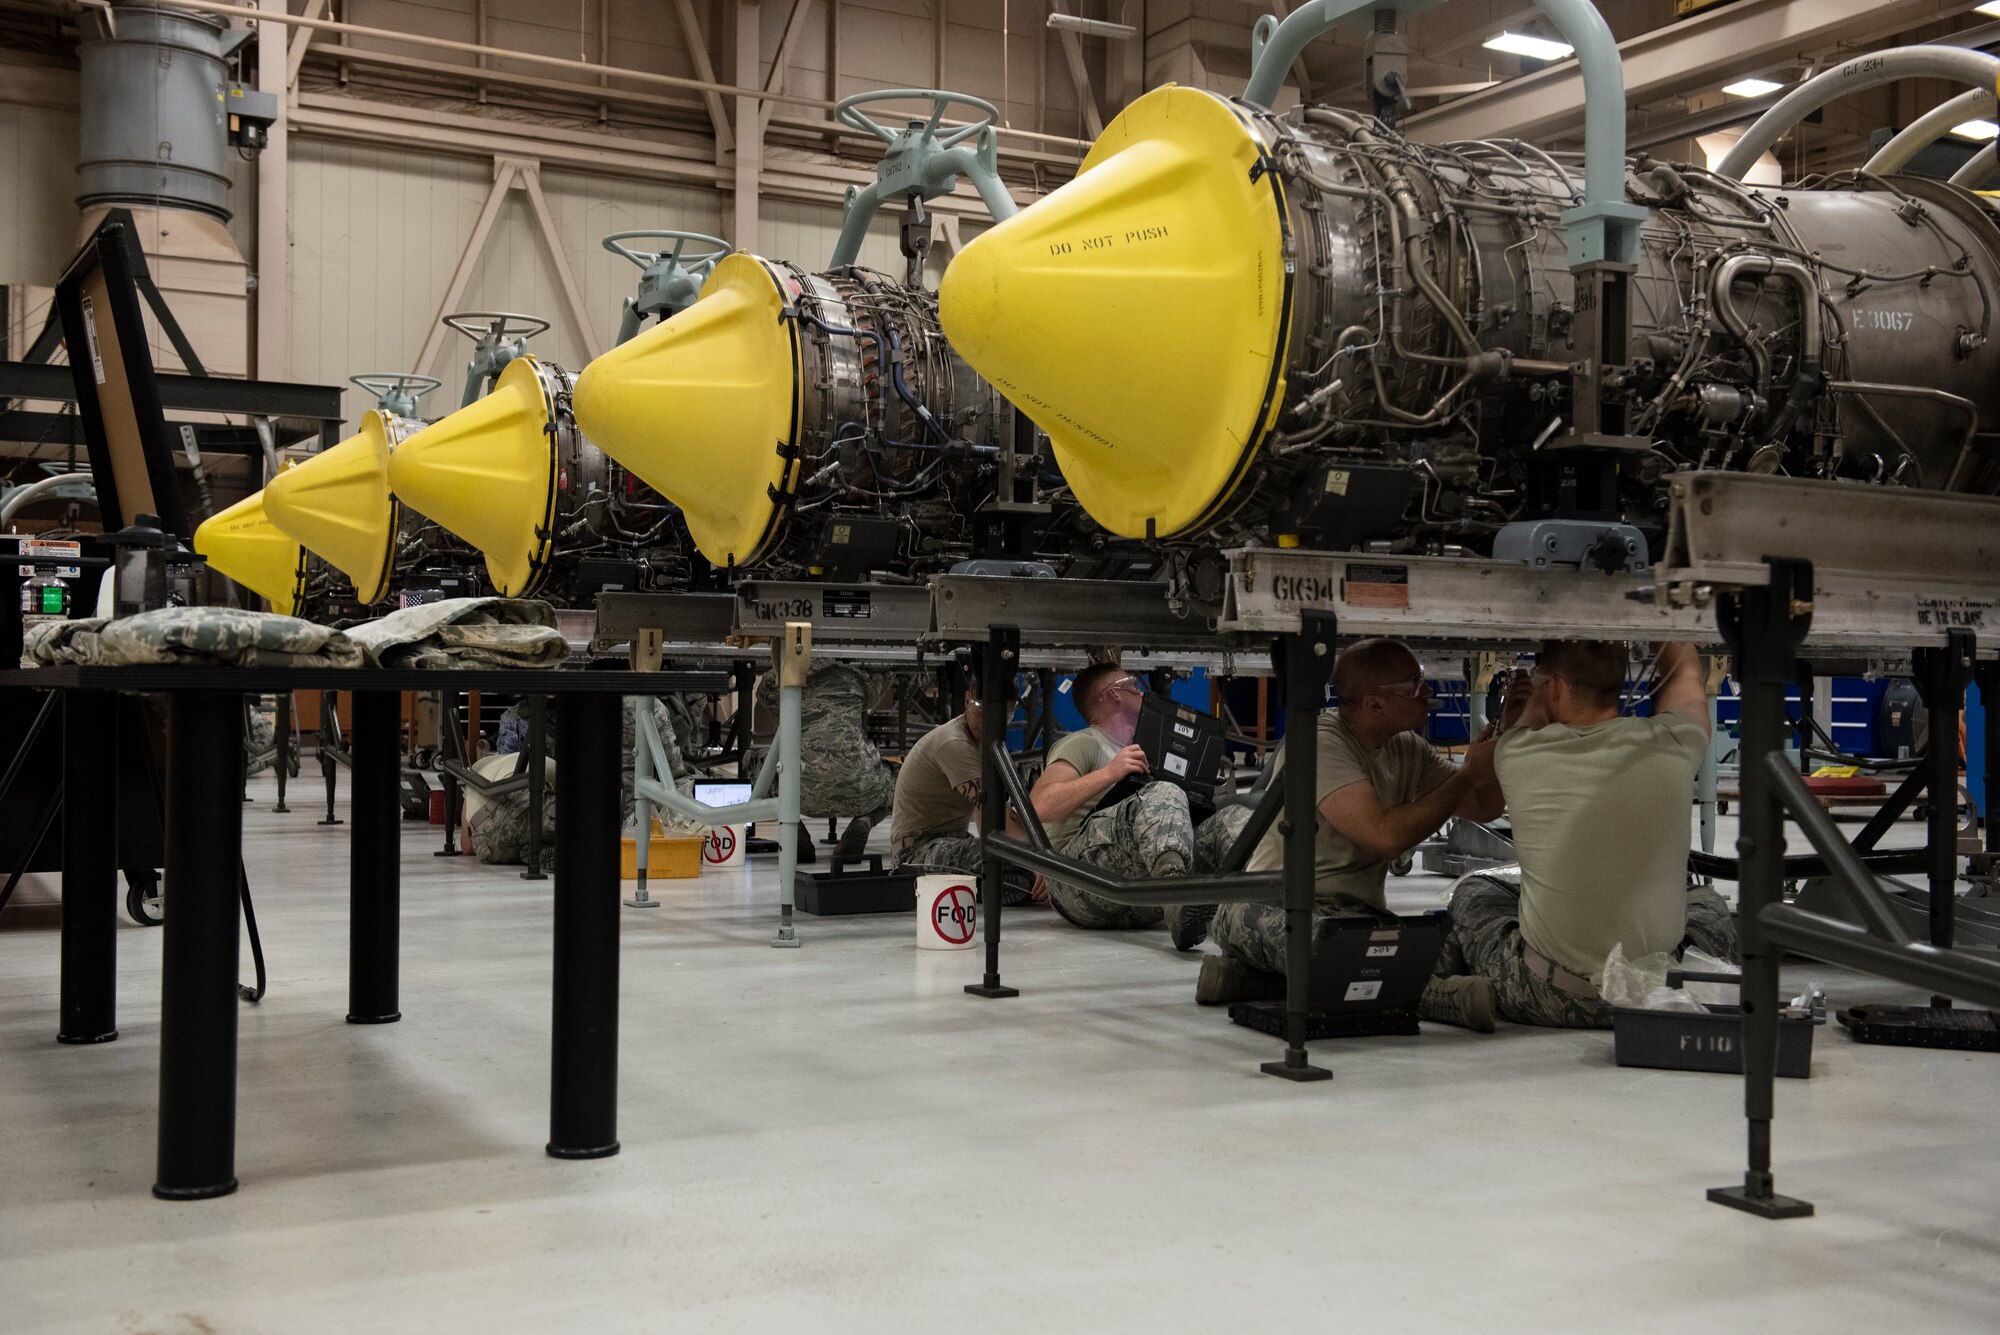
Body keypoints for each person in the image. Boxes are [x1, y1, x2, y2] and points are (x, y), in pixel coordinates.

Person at [1200, 637, 1507, 1030]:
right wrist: (1467, 776)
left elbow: (1484, 806)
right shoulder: (1320, 743)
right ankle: (1433, 998)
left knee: (1440, 945)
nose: (1427, 693)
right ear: (1375, 703)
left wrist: (1505, 735)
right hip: (1281, 906)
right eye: (1415, 685)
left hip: (1357, 916)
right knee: (1327, 945)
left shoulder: (1406, 747)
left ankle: (1255, 980)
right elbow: (1385, 837)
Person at [1429, 640, 1738, 1029]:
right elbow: (1686, 671)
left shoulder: (1517, 753)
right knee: (1706, 902)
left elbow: (1521, 724)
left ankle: (1433, 987)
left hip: (1549, 997)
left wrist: (1525, 693)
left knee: (1474, 893)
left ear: (1554, 687)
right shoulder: (1677, 741)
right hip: (1655, 995)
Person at [1026, 662, 1249, 946]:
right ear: (1115, 694)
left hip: (1137, 893)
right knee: (1162, 792)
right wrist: (1109, 772)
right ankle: (1176, 896)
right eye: (1134, 684)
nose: (1142, 692)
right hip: (1078, 883)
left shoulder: (1149, 748)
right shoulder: (1083, 743)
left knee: (1231, 818)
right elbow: (1039, 806)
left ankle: (1255, 908)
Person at [889, 691, 1044, 906]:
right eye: (981, 708)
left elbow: (987, 819)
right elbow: (995, 813)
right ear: (967, 698)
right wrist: (1043, 865)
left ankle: (988, 882)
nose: (989, 720)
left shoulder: (981, 742)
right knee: (1017, 862)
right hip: (916, 854)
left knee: (1004, 856)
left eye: (1003, 715)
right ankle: (1001, 882)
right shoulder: (954, 743)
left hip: (953, 843)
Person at [752, 661, 897, 860]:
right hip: (859, 790)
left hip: (798, 793)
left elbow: (763, 697)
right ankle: (865, 819)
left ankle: (792, 828)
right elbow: (873, 699)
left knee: (754, 762)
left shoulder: (778, 676)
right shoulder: (856, 677)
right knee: (899, 777)